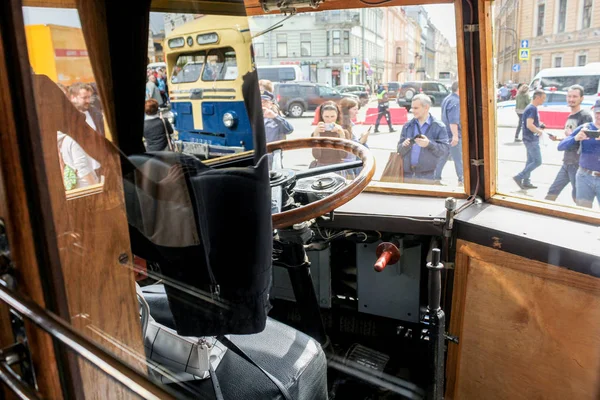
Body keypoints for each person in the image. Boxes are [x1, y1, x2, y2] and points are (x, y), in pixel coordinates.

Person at [545, 85, 593, 202]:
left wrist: (572, 136)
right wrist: (559, 138)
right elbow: (571, 137)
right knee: (552, 192)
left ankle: (582, 217)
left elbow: (588, 141)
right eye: (569, 96)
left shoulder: (585, 116)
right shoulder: (570, 116)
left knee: (578, 196)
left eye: (575, 96)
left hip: (577, 163)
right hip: (567, 162)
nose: (571, 99)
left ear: (581, 98)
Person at [397, 94, 449, 184]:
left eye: (416, 108)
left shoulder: (438, 127)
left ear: (426, 108)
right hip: (406, 175)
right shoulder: (407, 126)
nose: (412, 111)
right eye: (412, 108)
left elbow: (444, 151)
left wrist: (429, 144)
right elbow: (399, 150)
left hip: (427, 176)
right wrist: (404, 145)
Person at [558, 100, 600, 208]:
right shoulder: (586, 127)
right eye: (597, 112)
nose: (599, 116)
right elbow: (561, 146)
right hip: (584, 176)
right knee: (583, 213)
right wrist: (576, 138)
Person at [513, 89, 546, 189]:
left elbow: (530, 123)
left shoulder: (530, 107)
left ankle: (526, 181)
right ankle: (519, 177)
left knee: (530, 160)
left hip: (528, 138)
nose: (544, 100)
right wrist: (539, 131)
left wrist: (539, 125)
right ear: (537, 97)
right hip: (531, 139)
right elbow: (529, 125)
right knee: (537, 161)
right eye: (543, 98)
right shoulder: (532, 109)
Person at [311, 101, 353, 174]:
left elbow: (344, 155)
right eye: (326, 117)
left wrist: (342, 135)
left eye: (332, 116)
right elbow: (316, 156)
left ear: (337, 116)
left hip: (338, 168)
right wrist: (316, 135)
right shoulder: (317, 132)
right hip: (321, 168)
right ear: (322, 116)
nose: (329, 120)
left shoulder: (344, 132)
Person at [435, 81, 463, 186]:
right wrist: (455, 136)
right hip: (453, 135)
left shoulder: (447, 98)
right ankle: (462, 180)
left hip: (445, 134)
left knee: (443, 157)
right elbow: (453, 121)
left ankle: (435, 177)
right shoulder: (456, 101)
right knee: (459, 158)